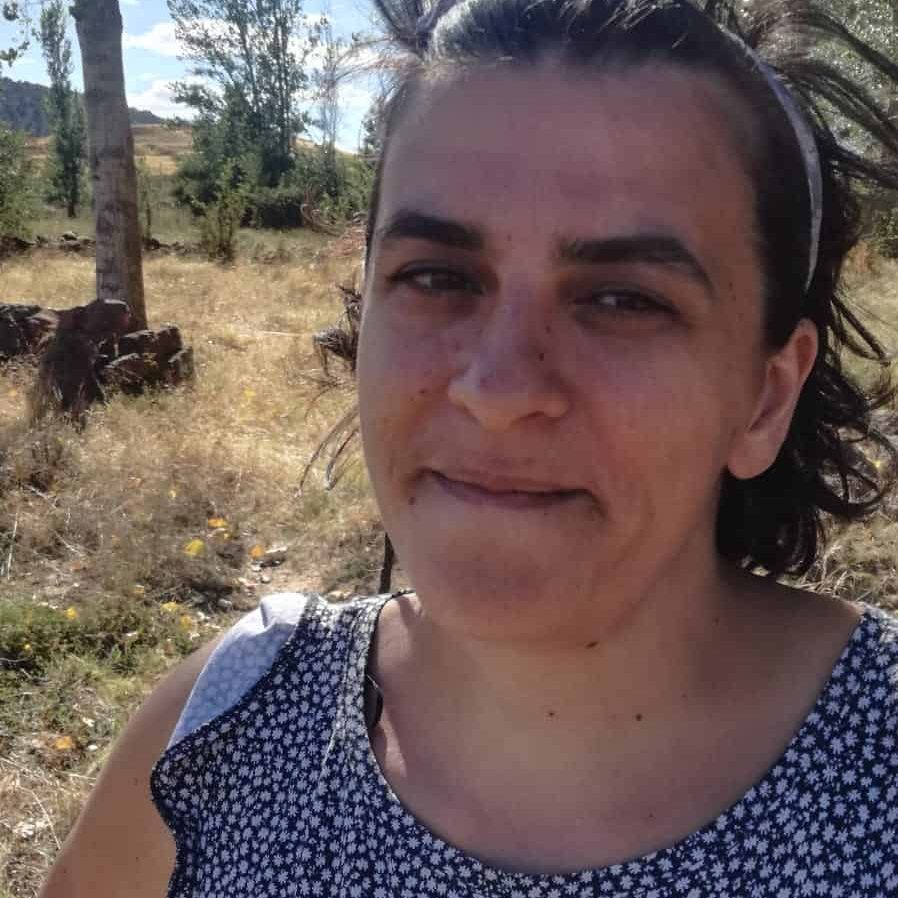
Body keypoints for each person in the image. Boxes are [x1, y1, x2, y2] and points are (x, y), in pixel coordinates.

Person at [39, 0, 898, 895]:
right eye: (437, 278)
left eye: (624, 299)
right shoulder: (218, 739)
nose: (497, 390)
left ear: (766, 397)